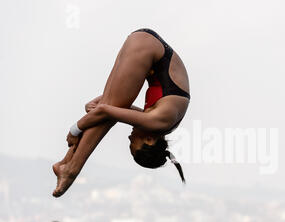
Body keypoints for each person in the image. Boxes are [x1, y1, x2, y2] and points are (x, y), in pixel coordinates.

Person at [52, 28, 190, 197]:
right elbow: (106, 111)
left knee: (109, 110)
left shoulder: (161, 124)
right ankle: (72, 169)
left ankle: (67, 162)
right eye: (133, 142)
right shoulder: (158, 121)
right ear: (149, 139)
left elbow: (118, 108)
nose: (129, 137)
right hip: (147, 47)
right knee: (107, 113)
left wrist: (99, 103)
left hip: (145, 44)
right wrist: (75, 130)